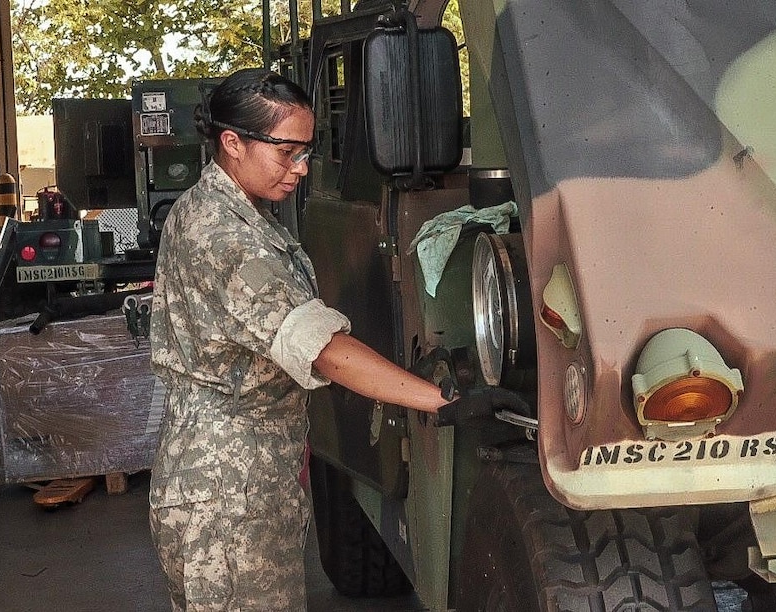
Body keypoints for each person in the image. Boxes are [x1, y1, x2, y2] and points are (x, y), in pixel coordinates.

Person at [147, 67, 527, 612]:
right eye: (287, 152)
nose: (301, 168)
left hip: (243, 473)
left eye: (308, 150)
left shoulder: (242, 213)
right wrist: (442, 401)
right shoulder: (224, 236)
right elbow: (319, 346)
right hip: (228, 491)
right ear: (232, 143)